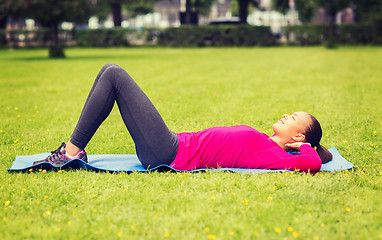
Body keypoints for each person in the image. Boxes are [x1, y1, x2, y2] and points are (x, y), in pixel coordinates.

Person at [33, 63, 332, 174]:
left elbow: (313, 161)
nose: (284, 115)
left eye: (292, 117)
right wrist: (307, 145)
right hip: (172, 143)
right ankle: (74, 150)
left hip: (169, 153)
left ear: (298, 136)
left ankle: (69, 154)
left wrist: (307, 149)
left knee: (114, 74)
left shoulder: (278, 156)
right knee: (106, 74)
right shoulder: (269, 144)